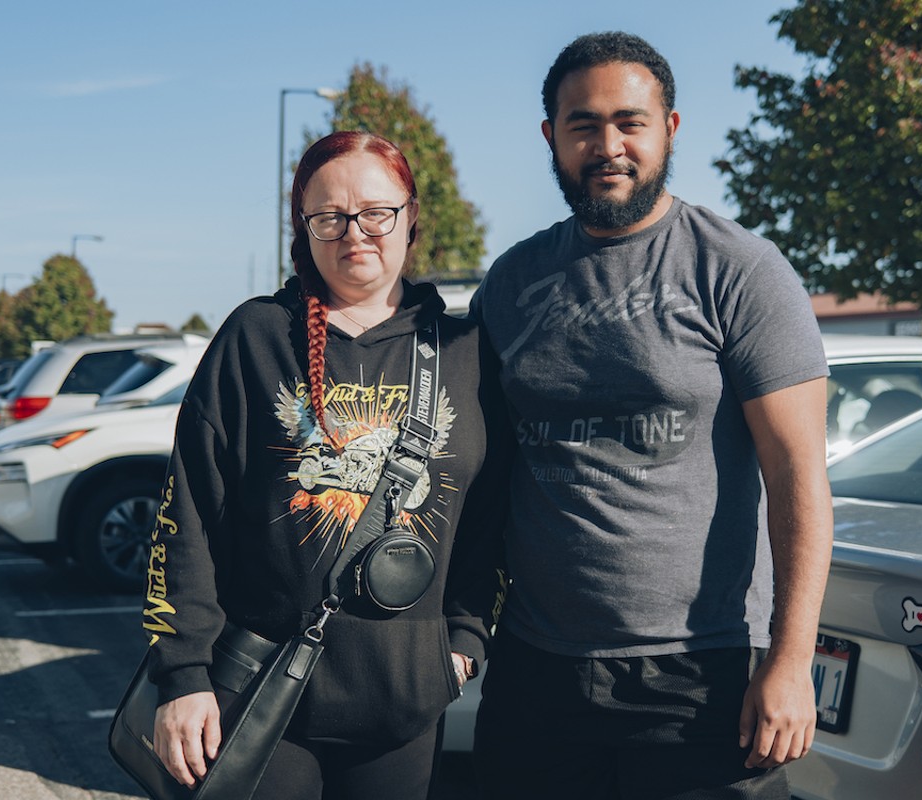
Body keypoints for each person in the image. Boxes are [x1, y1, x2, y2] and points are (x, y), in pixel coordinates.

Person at [469, 31, 833, 799]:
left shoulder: (739, 270)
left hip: (699, 676)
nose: (609, 145)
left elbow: (798, 475)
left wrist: (791, 660)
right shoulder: (513, 281)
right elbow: (481, 466)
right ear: (552, 138)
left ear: (669, 128)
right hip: (537, 667)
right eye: (584, 124)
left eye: (630, 122)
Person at [142, 130, 508, 800]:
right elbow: (188, 516)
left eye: (376, 211)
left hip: (405, 705)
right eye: (329, 216)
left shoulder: (463, 351)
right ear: (302, 227)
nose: (355, 232)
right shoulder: (255, 338)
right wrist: (183, 674)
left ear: (411, 215)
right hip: (262, 700)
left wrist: (463, 642)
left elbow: (490, 517)